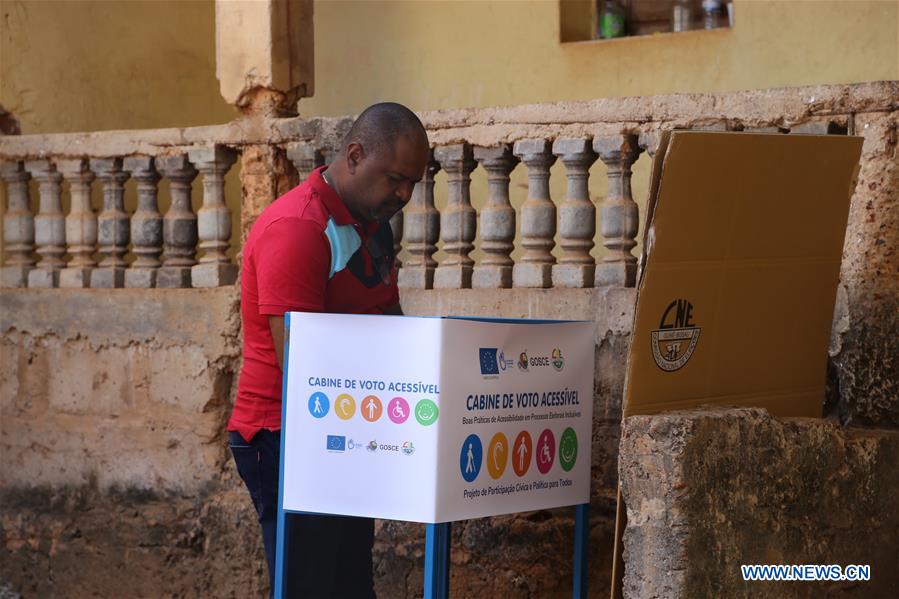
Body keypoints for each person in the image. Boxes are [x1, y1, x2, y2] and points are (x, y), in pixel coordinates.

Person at [226, 102, 429, 597]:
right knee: (309, 584)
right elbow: (302, 364)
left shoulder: (372, 225)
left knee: (350, 584)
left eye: (412, 185)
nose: (404, 195)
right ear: (355, 155)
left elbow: (388, 323)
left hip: (347, 425)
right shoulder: (298, 228)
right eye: (395, 179)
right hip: (288, 433)